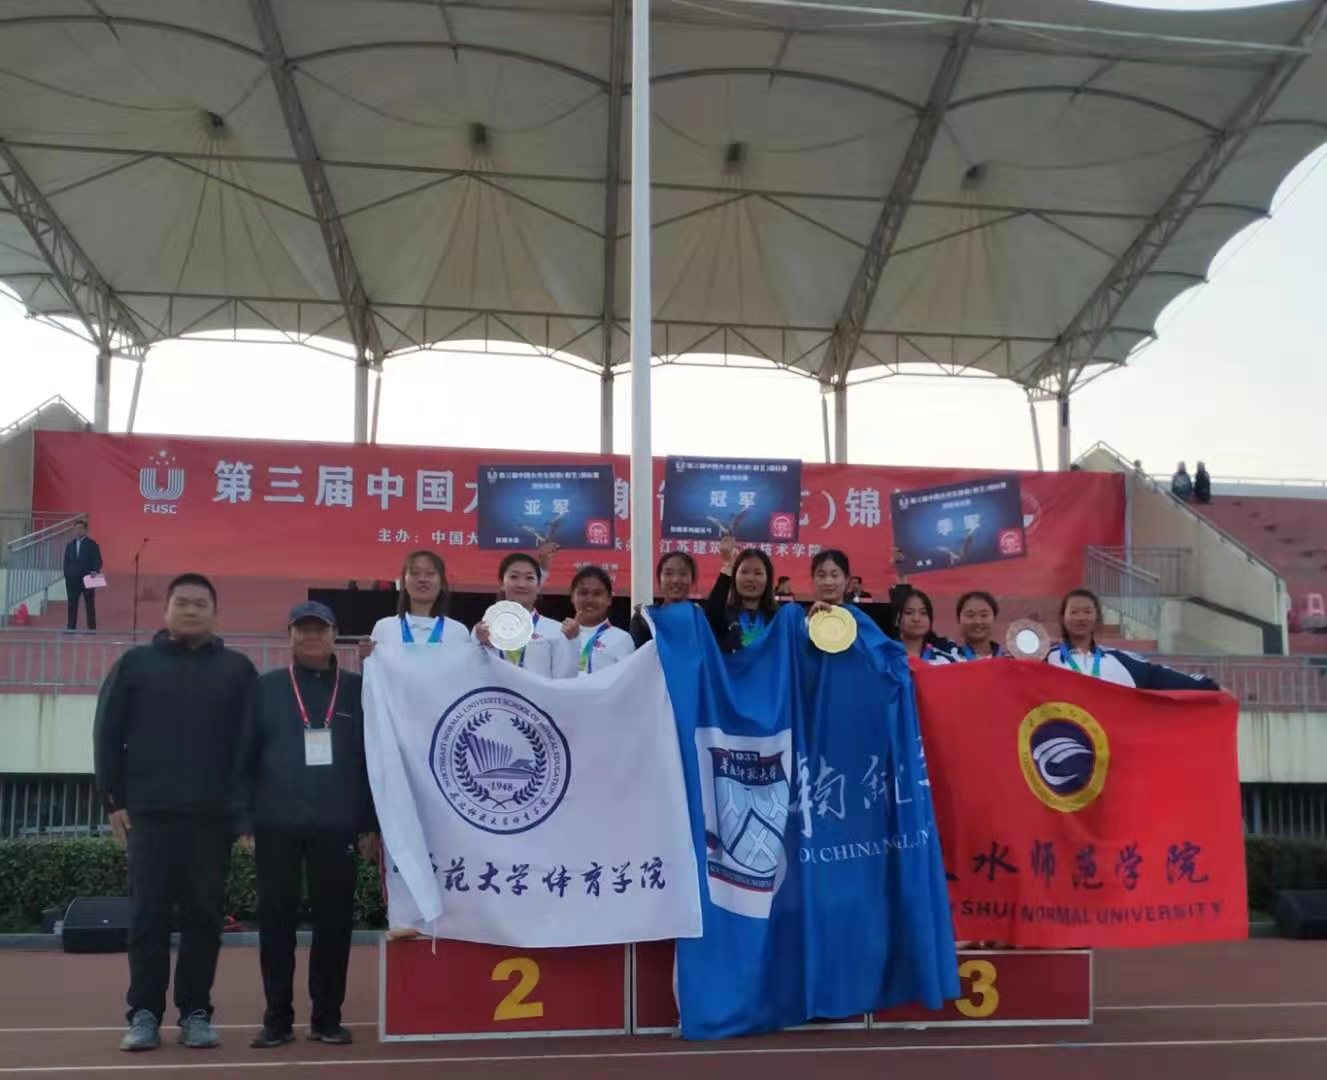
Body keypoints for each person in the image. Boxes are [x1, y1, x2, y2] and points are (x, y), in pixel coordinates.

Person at [92, 573, 257, 1053]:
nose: (190, 610)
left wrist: (243, 815)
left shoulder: (237, 670)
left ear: (215, 613)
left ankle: (195, 1012)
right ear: (165, 610)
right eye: (182, 602)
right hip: (150, 815)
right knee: (148, 915)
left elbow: (248, 750)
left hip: (212, 819)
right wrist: (113, 800)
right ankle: (144, 1013)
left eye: (200, 604)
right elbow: (107, 733)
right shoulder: (135, 665)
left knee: (204, 918)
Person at [232, 602, 377, 1049]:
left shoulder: (358, 689)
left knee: (335, 926)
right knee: (276, 925)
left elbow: (373, 761)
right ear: (290, 635)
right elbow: (243, 757)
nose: (311, 636)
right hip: (276, 823)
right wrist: (244, 819)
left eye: (320, 628)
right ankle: (277, 1018)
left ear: (335, 634)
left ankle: (327, 1017)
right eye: (303, 629)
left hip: (338, 824)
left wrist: (369, 823)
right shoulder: (267, 687)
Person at [1046, 589, 1220, 690]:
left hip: (1108, 739)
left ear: (1097, 616)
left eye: (1087, 611)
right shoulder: (1047, 659)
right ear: (1062, 617)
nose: (1081, 617)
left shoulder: (1119, 660)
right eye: (1074, 612)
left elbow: (1159, 676)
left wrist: (1209, 686)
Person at [473, 552, 577, 677]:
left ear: (539, 586)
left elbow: (563, 680)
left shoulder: (556, 630)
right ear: (501, 583)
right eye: (514, 577)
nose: (521, 584)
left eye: (529, 578)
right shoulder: (483, 630)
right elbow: (473, 674)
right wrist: (482, 644)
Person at [360, 550, 467, 659]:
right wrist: (363, 658)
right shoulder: (384, 628)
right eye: (415, 573)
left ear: (442, 583)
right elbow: (374, 668)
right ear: (404, 582)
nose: (422, 579)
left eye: (430, 573)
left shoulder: (458, 632)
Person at [705, 536, 778, 652]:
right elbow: (709, 617)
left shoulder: (778, 618)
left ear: (768, 579)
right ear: (734, 576)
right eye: (744, 572)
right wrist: (728, 565)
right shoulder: (723, 615)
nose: (750, 578)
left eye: (758, 573)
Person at [561, 566, 635, 673]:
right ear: (572, 597)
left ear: (609, 599)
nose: (589, 600)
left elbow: (627, 680)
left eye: (597, 594)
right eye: (583, 593)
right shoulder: (557, 634)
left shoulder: (622, 639)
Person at [629, 551, 698, 647]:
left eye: (683, 574)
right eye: (668, 573)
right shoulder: (644, 619)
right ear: (659, 580)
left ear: (692, 580)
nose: (675, 580)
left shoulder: (701, 619)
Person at [895, 588, 959, 663]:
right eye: (909, 613)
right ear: (898, 618)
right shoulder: (885, 658)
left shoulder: (945, 662)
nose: (916, 619)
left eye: (923, 613)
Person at [62, 517, 103, 632]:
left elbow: (98, 560)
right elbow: (66, 562)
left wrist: (95, 570)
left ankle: (91, 628)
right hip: (72, 579)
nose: (78, 530)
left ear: (86, 530)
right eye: (76, 528)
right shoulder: (70, 545)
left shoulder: (92, 544)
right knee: (72, 603)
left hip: (87, 578)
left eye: (81, 528)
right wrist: (67, 574)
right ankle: (71, 627)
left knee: (89, 604)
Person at [954, 591, 1003, 659]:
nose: (978, 622)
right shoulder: (948, 659)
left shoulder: (1008, 659)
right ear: (959, 619)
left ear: (994, 618)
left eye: (984, 615)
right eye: (970, 615)